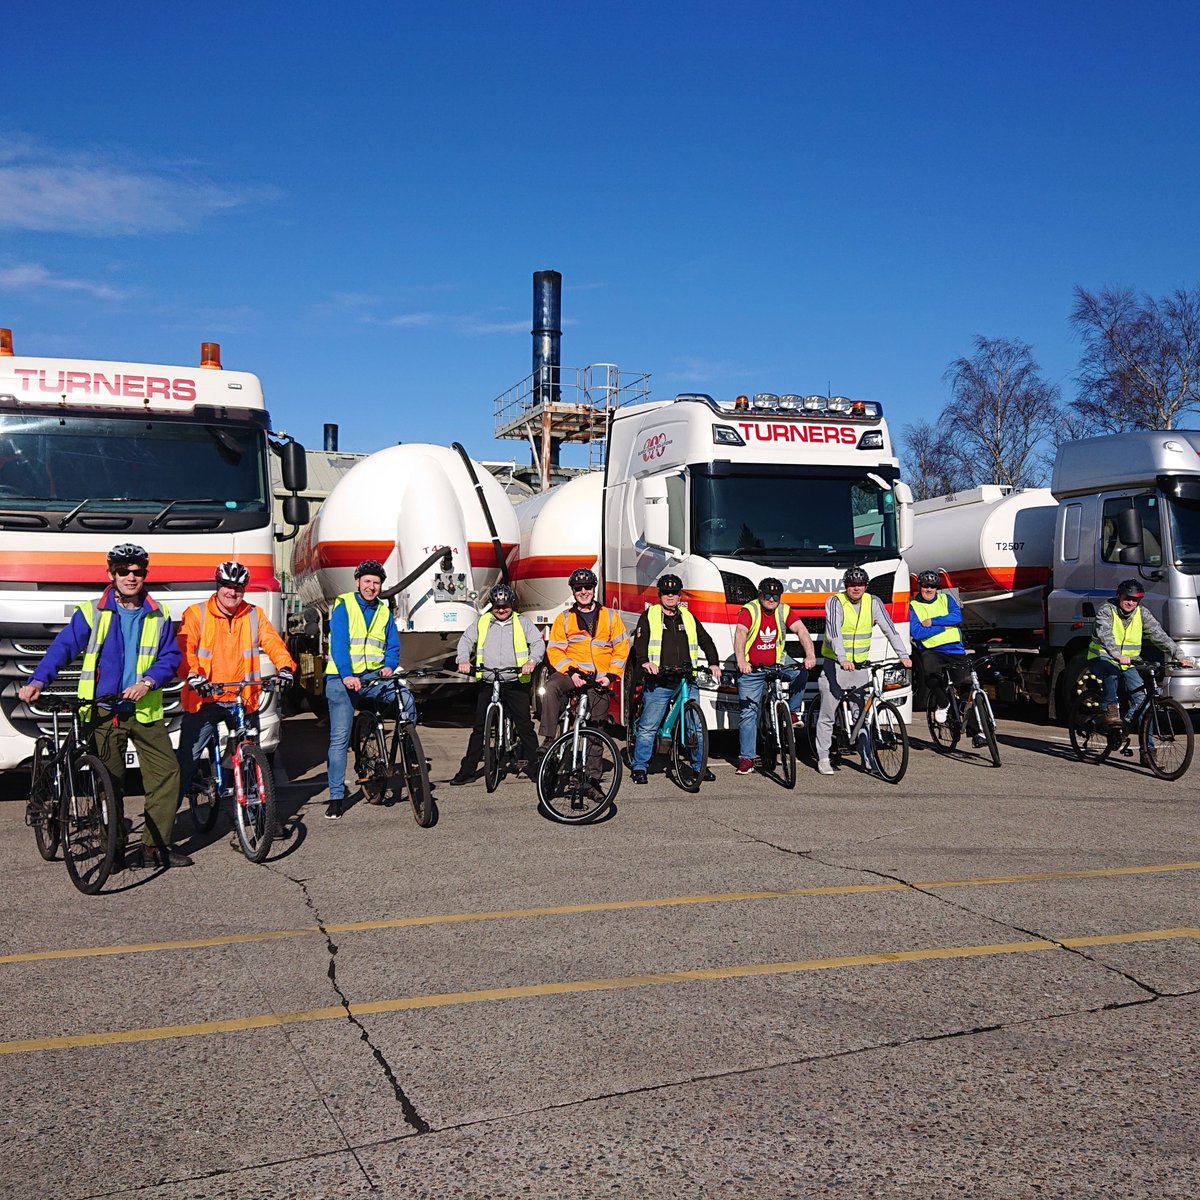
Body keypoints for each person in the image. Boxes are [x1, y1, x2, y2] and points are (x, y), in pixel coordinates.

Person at [17, 544, 186, 868]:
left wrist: (147, 681)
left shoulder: (159, 612)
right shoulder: (92, 611)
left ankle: (153, 847)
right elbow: (63, 648)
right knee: (109, 780)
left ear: (144, 575)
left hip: (144, 709)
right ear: (111, 574)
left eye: (137, 571)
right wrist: (38, 681)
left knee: (167, 773)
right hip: (103, 710)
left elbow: (170, 657)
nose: (131, 577)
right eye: (124, 571)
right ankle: (115, 849)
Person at [175, 561, 297, 819]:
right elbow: (185, 652)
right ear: (218, 587)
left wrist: (285, 667)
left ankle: (258, 820)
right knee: (186, 763)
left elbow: (273, 642)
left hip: (243, 698)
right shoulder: (197, 614)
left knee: (251, 761)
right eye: (228, 587)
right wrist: (195, 677)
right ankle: (162, 832)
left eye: (238, 588)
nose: (233, 593)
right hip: (205, 699)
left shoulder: (254, 614)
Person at [323, 559, 415, 820]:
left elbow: (393, 646)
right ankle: (336, 797)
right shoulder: (344, 606)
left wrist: (389, 665)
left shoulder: (384, 612)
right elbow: (339, 644)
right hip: (343, 680)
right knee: (339, 739)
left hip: (375, 679)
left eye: (376, 583)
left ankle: (410, 754)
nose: (371, 587)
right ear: (357, 583)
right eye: (367, 582)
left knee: (405, 699)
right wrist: (347, 675)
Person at [815, 566, 912, 776]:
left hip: (860, 667)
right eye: (852, 584)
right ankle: (823, 757)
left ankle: (868, 759)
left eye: (860, 585)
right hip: (836, 666)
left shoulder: (873, 602)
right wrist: (842, 658)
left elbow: (890, 629)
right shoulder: (835, 602)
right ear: (845, 586)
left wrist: (903, 655)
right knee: (828, 715)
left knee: (863, 715)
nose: (856, 588)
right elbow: (834, 632)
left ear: (866, 586)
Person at [628, 574, 721, 784]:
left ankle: (699, 766)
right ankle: (640, 766)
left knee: (695, 726)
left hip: (686, 679)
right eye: (666, 592)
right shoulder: (649, 615)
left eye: (674, 592)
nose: (670, 596)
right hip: (659, 680)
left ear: (680, 595)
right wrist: (644, 662)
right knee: (649, 726)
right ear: (660, 594)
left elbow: (706, 640)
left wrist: (714, 662)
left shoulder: (688, 617)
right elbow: (639, 643)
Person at [450, 583, 544, 785]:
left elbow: (537, 642)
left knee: (525, 726)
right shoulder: (483, 622)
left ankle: (536, 768)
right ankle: (467, 771)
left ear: (511, 604)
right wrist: (464, 660)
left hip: (514, 681)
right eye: (497, 606)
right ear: (492, 605)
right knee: (479, 728)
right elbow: (466, 640)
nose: (501, 610)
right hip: (489, 680)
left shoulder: (522, 623)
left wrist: (532, 661)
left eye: (505, 606)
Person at [540, 567, 628, 774]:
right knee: (551, 687)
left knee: (596, 729)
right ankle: (549, 737)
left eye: (587, 587)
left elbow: (622, 647)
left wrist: (610, 676)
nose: (583, 591)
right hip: (572, 673)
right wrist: (571, 672)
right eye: (578, 588)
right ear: (573, 591)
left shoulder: (611, 616)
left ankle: (592, 778)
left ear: (594, 589)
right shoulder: (564, 617)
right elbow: (554, 649)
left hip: (600, 679)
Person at [733, 577, 817, 776]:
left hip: (777, 663)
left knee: (801, 672)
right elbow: (740, 634)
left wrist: (810, 655)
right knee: (748, 714)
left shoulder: (784, 610)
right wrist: (741, 661)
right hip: (752, 669)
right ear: (760, 595)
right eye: (768, 595)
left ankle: (793, 711)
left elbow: (802, 631)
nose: (772, 599)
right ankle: (747, 759)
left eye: (776, 596)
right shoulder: (750, 610)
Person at [1087, 579, 1194, 729]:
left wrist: (1179, 655)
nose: (1131, 603)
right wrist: (1116, 654)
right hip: (1102, 657)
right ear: (1119, 597)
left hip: (1129, 662)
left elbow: (1159, 635)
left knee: (1142, 701)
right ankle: (1109, 710)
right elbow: (1105, 634)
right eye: (1127, 599)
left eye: (1135, 600)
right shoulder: (1106, 610)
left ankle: (1148, 748)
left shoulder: (1142, 613)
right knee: (1110, 673)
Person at [909, 569, 979, 741]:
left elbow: (957, 617)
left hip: (955, 649)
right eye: (925, 586)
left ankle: (977, 732)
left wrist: (932, 622)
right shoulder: (914, 606)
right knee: (930, 675)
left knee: (965, 688)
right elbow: (917, 632)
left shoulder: (945, 599)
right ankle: (943, 703)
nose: (929, 589)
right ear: (920, 587)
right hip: (932, 651)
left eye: (932, 586)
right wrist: (943, 626)